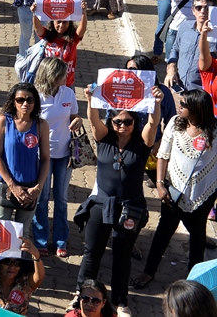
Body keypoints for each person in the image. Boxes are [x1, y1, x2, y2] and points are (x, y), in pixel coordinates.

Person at [74, 82, 163, 317]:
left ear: (135, 121)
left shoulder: (142, 142)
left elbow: (153, 123)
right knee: (92, 252)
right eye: (117, 122)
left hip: (130, 207)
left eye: (127, 122)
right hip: (101, 203)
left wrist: (156, 103)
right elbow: (93, 120)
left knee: (122, 256)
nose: (122, 126)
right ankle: (80, 295)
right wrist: (90, 99)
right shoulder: (104, 137)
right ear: (111, 122)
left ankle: (120, 301)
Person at [132, 86, 217, 288]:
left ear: (197, 108)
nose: (180, 106)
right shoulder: (175, 124)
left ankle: (194, 280)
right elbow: (163, 155)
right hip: (173, 190)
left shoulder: (214, 131)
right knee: (164, 230)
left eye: (184, 104)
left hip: (203, 193)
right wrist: (160, 184)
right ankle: (149, 271)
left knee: (198, 235)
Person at [31, 57, 80, 257]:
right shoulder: (36, 96)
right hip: (42, 156)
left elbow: (74, 116)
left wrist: (77, 121)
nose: (66, 76)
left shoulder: (68, 93)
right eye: (62, 73)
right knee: (42, 198)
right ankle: (40, 241)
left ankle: (61, 240)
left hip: (64, 155)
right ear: (51, 75)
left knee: (61, 198)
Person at [0, 83, 50, 230]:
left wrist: (38, 187)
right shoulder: (3, 121)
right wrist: (12, 185)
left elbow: (45, 159)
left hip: (31, 188)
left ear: (35, 102)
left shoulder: (41, 125)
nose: (25, 104)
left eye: (30, 100)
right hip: (6, 184)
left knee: (22, 235)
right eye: (20, 100)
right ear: (13, 101)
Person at [33, 0, 89, 88]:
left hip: (67, 83)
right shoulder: (47, 35)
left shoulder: (73, 38)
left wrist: (83, 12)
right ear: (53, 22)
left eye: (65, 22)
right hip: (47, 82)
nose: (61, 25)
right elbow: (37, 28)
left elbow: (83, 28)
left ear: (70, 23)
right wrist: (34, 13)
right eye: (58, 22)